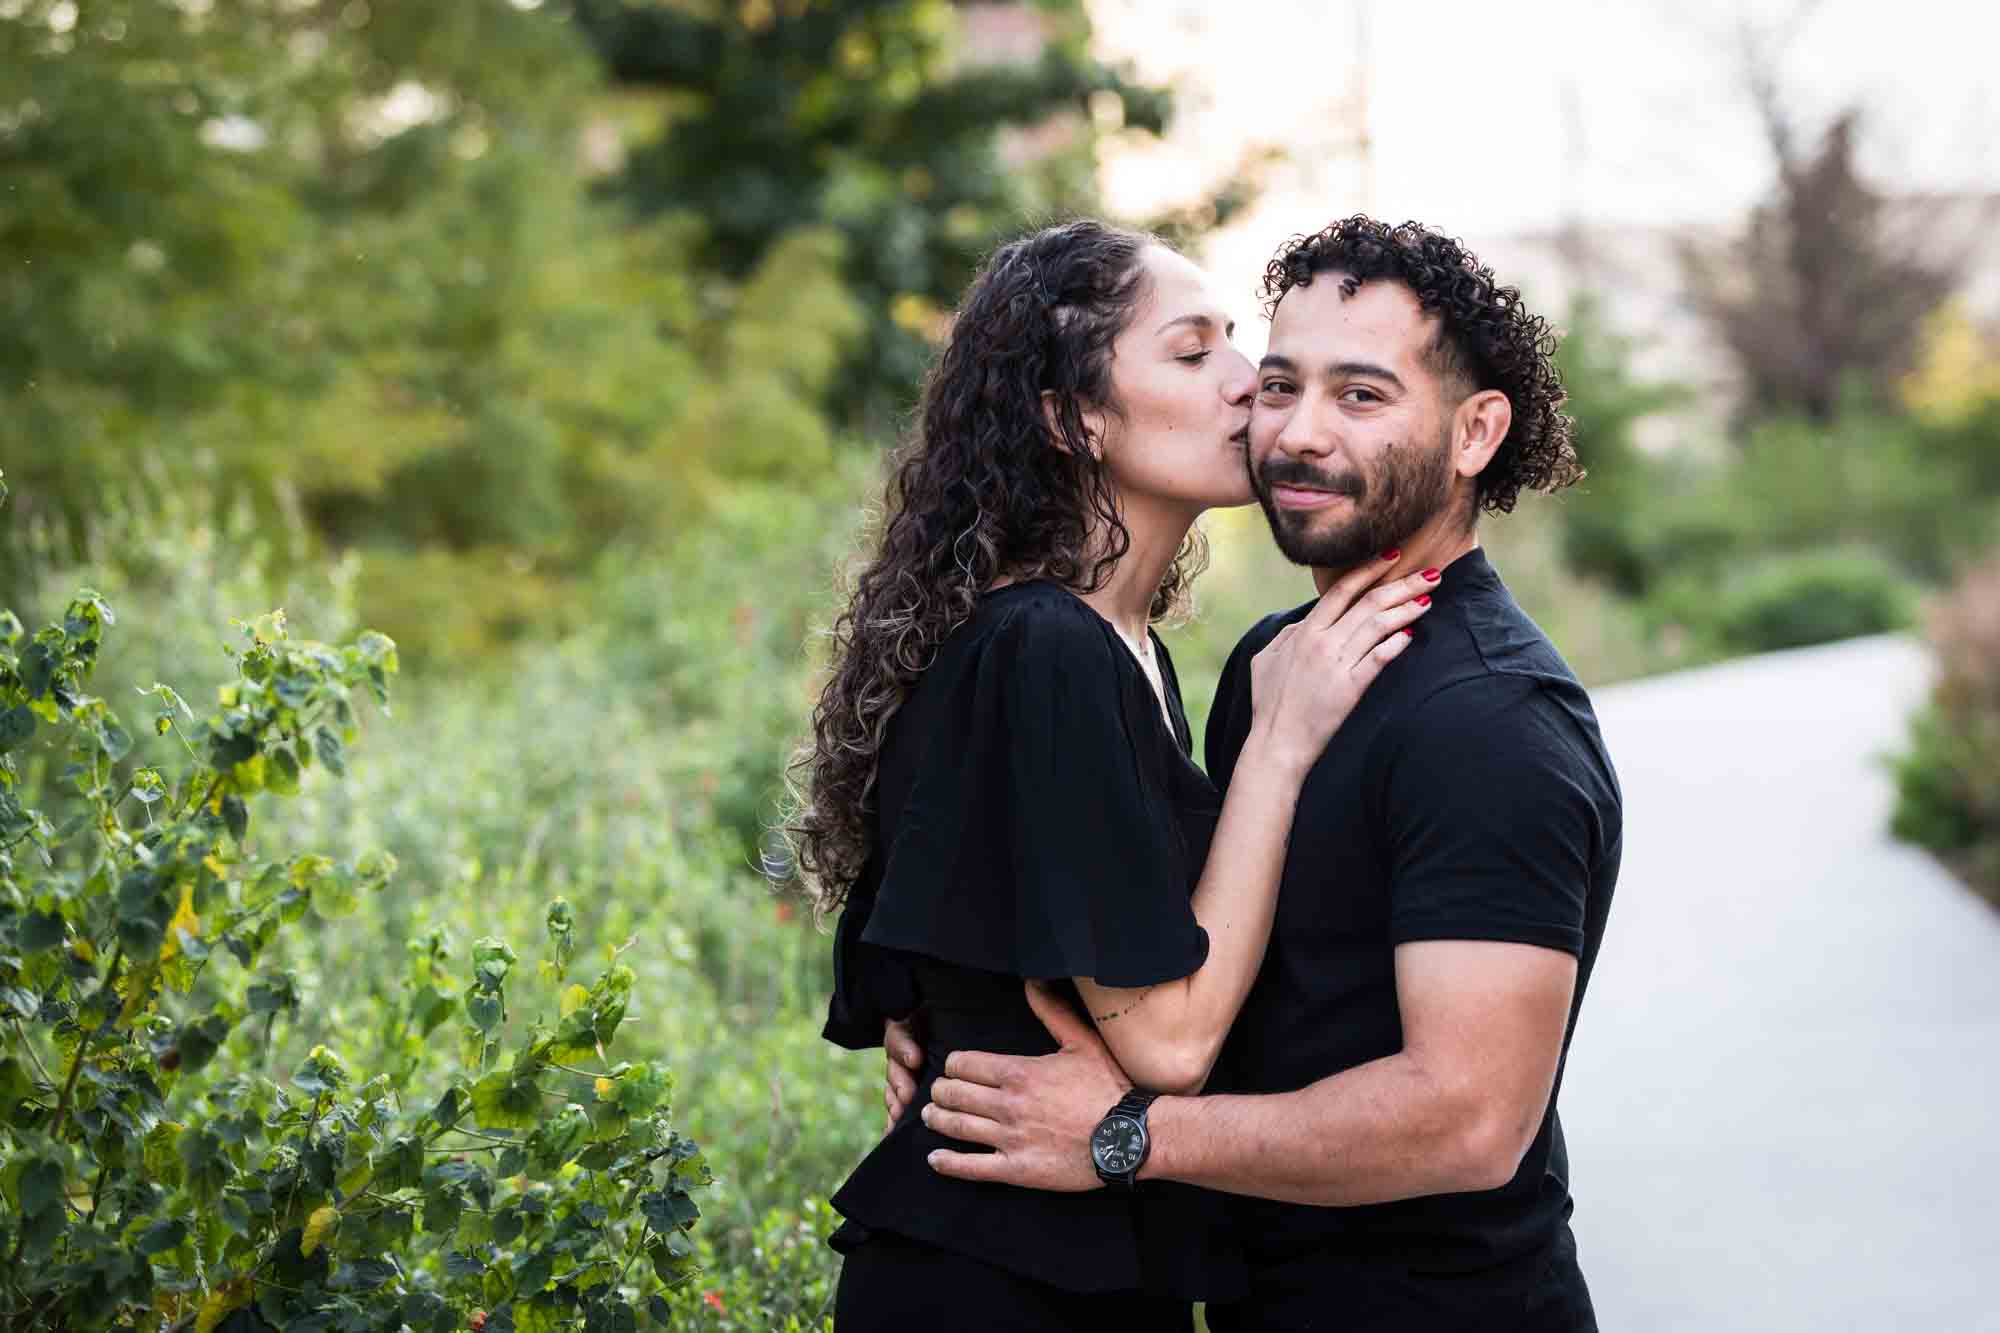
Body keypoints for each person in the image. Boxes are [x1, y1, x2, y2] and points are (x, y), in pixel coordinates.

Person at [913, 216, 1622, 1332]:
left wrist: (1125, 1134)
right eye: (1279, 384)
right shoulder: (1268, 666)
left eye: (1360, 396)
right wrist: (961, 1011)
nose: (1294, 433)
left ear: (1476, 431)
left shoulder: (1490, 721)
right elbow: (1175, 937)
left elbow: (1469, 1120)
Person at [787, 218, 1439, 1330]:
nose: (1249, 386)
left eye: (1235, 345)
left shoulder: (1120, 649)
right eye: (1192, 353)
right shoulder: (1043, 648)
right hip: (995, 1286)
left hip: (1075, 1262)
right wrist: (1278, 746)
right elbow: (1169, 1041)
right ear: (1069, 416)